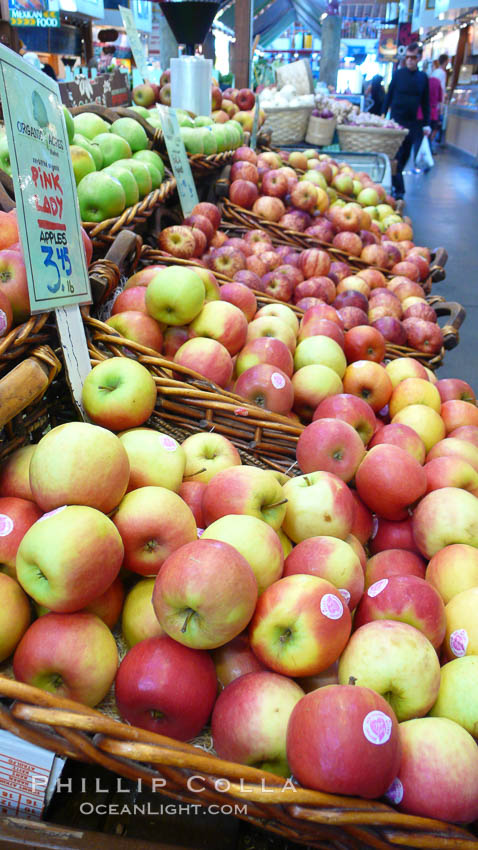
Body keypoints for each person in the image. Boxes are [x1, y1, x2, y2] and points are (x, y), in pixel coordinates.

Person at [382, 42, 431, 199]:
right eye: (407, 57)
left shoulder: (423, 78)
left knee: (404, 157)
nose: (410, 60)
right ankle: (400, 189)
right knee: (396, 155)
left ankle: (397, 183)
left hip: (412, 124)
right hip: (396, 122)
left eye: (413, 57)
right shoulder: (398, 74)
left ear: (418, 58)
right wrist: (383, 113)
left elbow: (425, 102)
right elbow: (389, 95)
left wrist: (427, 123)